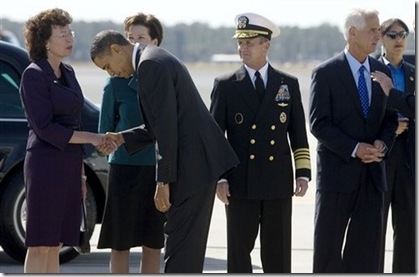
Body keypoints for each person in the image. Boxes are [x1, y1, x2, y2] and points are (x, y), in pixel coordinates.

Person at [90, 29, 239, 273]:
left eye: (107, 66)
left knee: (181, 252)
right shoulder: (152, 59)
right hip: (197, 164)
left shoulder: (150, 65)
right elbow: (157, 126)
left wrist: (163, 181)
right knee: (183, 250)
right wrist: (122, 137)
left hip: (194, 167)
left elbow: (167, 128)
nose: (112, 73)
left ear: (117, 49)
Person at [209, 12, 311, 273]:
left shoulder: (287, 83)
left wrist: (303, 174)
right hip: (240, 183)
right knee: (239, 253)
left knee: (278, 252)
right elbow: (214, 137)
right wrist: (220, 178)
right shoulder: (226, 85)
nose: (243, 48)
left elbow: (298, 132)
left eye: (250, 42)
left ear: (266, 45)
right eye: (240, 43)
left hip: (277, 182)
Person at [19, 8, 114, 273]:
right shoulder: (34, 74)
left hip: (69, 165)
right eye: (62, 34)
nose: (70, 38)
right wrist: (94, 139)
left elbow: (76, 120)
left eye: (70, 32)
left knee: (57, 241)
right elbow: (46, 128)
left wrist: (81, 174)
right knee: (40, 242)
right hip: (44, 165)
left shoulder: (69, 72)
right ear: (45, 41)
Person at [309, 8, 399, 273]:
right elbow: (319, 123)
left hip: (372, 176)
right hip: (337, 176)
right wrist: (354, 148)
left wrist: (383, 143)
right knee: (328, 250)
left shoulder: (382, 71)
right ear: (352, 32)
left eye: (379, 30)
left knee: (368, 254)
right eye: (373, 30)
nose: (378, 36)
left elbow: (391, 118)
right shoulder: (325, 73)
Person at [96, 13, 166, 273]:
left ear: (155, 42)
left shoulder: (160, 78)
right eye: (130, 38)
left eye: (141, 38)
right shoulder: (114, 83)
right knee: (120, 243)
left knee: (153, 243)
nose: (135, 43)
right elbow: (104, 131)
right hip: (124, 169)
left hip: (156, 169)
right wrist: (106, 145)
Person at [374, 18, 416, 274]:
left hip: (410, 157)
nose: (399, 39)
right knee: (376, 226)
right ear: (381, 38)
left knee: (409, 227)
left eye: (403, 34)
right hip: (381, 155)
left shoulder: (414, 71)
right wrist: (390, 128)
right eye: (392, 35)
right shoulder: (373, 70)